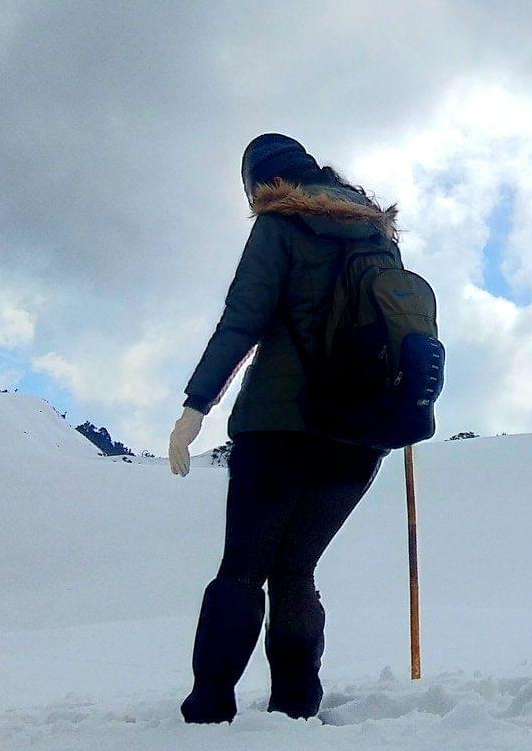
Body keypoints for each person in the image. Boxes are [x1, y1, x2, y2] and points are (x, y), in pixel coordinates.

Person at [168, 133, 397, 724]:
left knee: (243, 567)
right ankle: (296, 707)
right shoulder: (376, 233)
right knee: (296, 569)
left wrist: (196, 405)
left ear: (262, 182)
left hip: (277, 424)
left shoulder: (279, 224)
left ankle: (210, 707)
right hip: (358, 433)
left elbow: (243, 318)